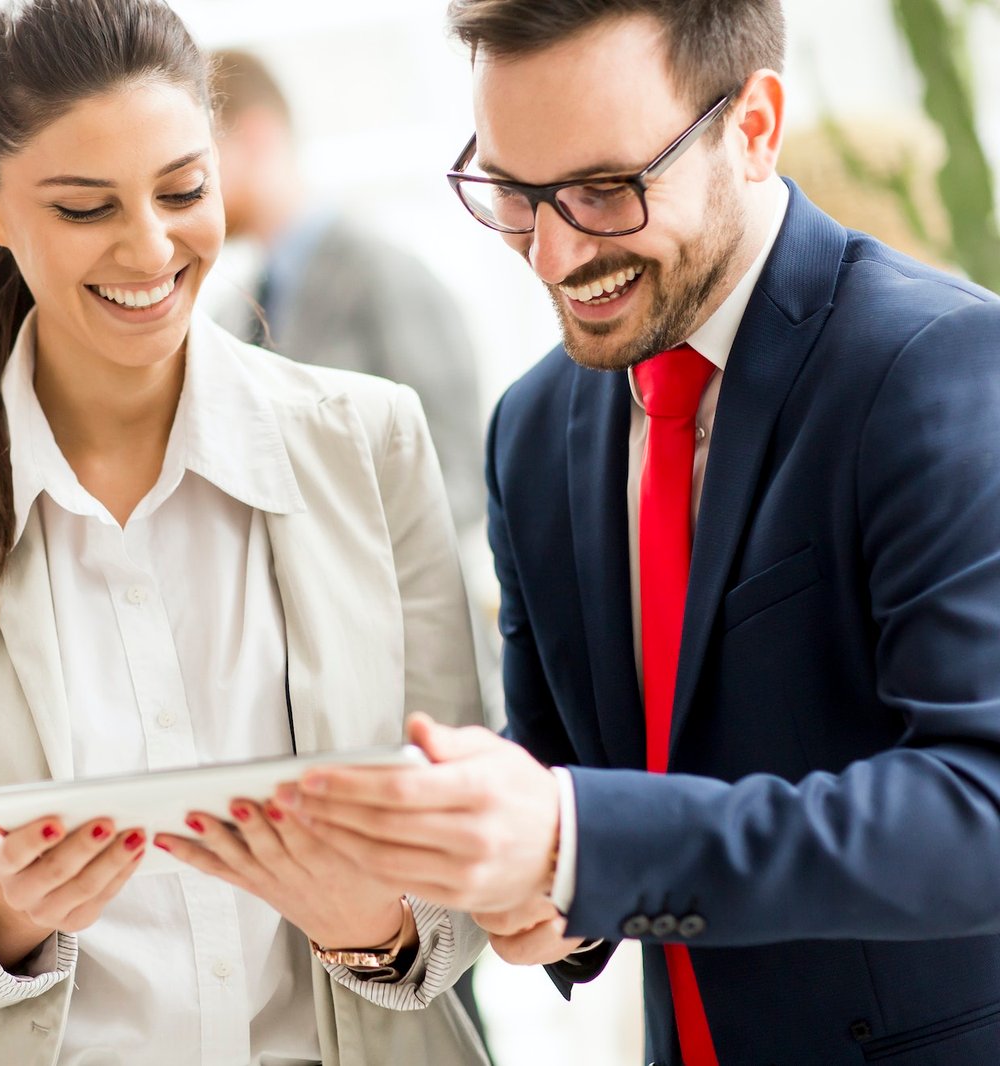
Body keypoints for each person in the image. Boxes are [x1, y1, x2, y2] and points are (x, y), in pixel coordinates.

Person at [270, 1, 1000, 1063]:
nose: (553, 253)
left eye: (605, 190)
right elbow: (573, 782)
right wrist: (485, 872)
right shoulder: (532, 430)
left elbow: (977, 808)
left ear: (753, 127)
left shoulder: (932, 365)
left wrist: (578, 840)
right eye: (513, 193)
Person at [0, 1, 490, 1063]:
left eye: (183, 190)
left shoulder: (369, 443)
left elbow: (469, 848)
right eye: (85, 208)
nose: (149, 247)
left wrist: (375, 929)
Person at [209, 50, 486, 531]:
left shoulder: (386, 275)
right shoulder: (230, 310)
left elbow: (458, 473)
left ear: (254, 139)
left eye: (199, 159)